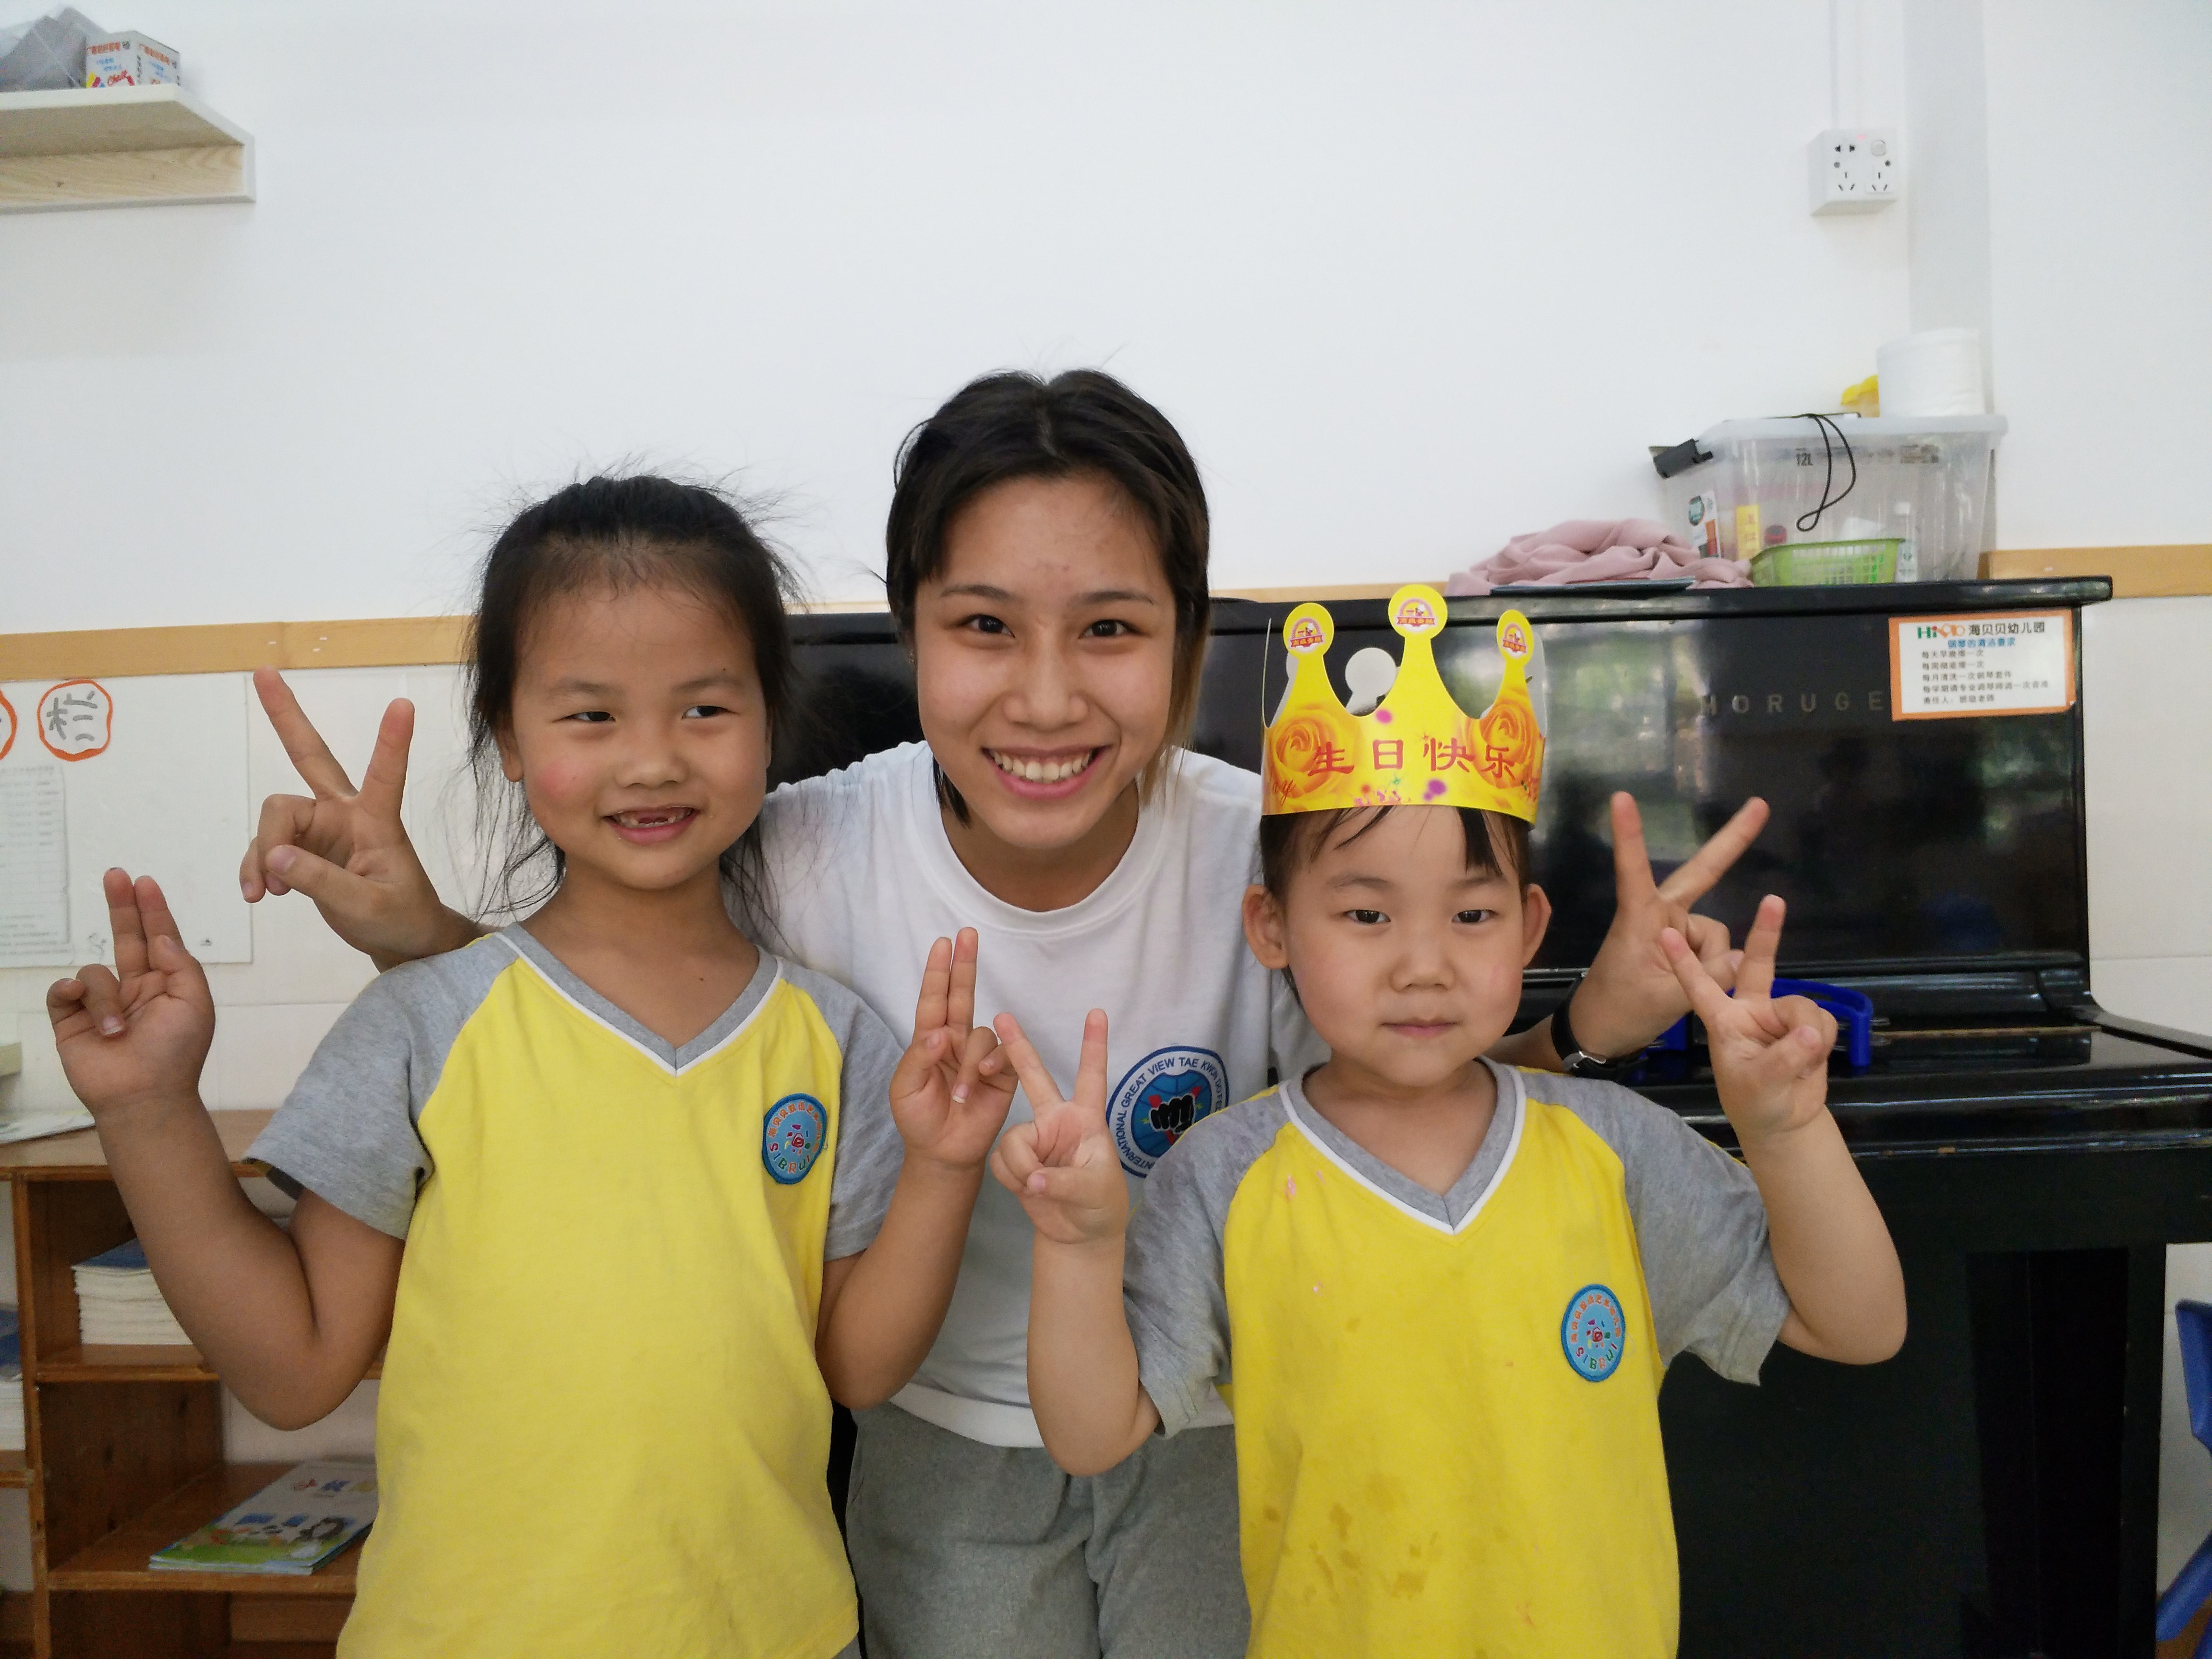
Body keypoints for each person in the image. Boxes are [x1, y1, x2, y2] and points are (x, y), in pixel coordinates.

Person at [231, 373, 1774, 1659]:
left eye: (1109, 629)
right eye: (983, 628)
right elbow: (586, 1021)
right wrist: (425, 935)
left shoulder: (1271, 856)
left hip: (1213, 1436)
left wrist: (1589, 1027)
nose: (1044, 699)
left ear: (1187, 643)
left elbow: (1416, 1109)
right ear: (913, 631)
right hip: (937, 1454)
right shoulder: (802, 851)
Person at [46, 477, 1020, 1659]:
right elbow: (293, 1371)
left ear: (770, 720)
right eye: (592, 715)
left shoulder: (836, 1040)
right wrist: (149, 1109)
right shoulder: (424, 1025)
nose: (652, 760)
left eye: (706, 707)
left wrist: (942, 1168)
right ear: (508, 739)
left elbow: (856, 1367)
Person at [992, 595, 1907, 1657]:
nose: (1423, 964)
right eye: (1366, 914)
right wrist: (1078, 1244)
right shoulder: (1225, 1178)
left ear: (1528, 928)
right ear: (1272, 927)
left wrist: (1786, 1131)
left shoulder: (1613, 1151)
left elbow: (1860, 1326)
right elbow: (1092, 1433)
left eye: (1472, 916)